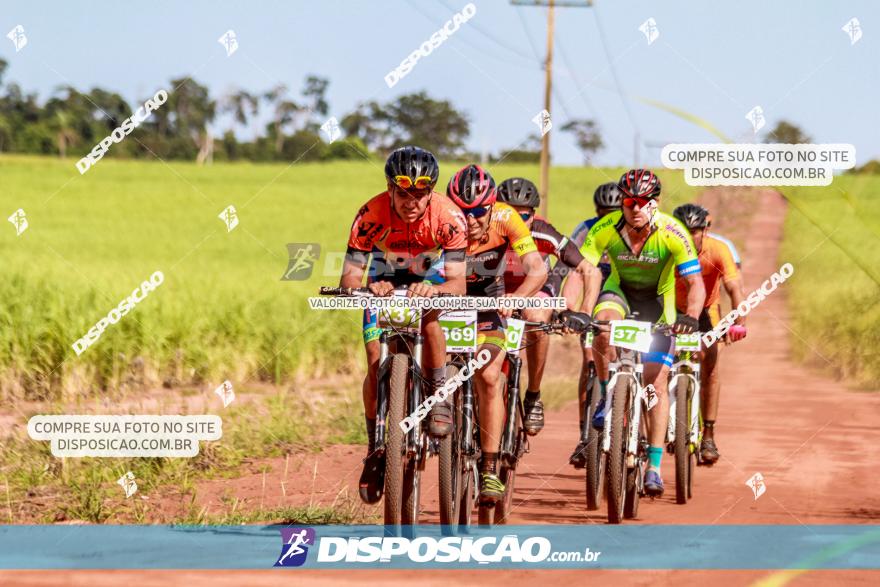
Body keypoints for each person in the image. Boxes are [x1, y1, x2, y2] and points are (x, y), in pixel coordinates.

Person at [342, 146, 468, 504]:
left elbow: (458, 283)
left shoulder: (448, 217)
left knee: (430, 323)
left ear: (432, 191)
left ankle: (438, 395)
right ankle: (374, 447)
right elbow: (350, 277)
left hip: (427, 277)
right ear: (389, 188)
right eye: (403, 192)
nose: (412, 201)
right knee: (373, 358)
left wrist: (436, 288)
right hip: (382, 276)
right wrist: (369, 287)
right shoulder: (370, 214)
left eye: (421, 192)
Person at [579, 169, 706, 497]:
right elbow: (585, 270)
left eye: (643, 202)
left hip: (658, 306)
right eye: (629, 201)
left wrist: (691, 316)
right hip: (618, 294)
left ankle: (653, 467)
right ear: (622, 201)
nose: (635, 208)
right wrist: (576, 310)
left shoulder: (673, 232)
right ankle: (608, 394)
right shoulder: (606, 228)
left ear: (655, 203)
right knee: (602, 327)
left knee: (655, 384)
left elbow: (695, 283)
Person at [446, 164, 547, 502]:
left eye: (479, 212)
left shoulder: (506, 217)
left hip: (491, 301)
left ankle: (490, 470)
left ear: (492, 205)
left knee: (490, 376)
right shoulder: (440, 216)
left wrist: (517, 299)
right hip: (449, 298)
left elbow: (537, 267)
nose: (471, 220)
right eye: (463, 212)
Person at [496, 177, 599, 436]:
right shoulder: (486, 230)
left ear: (533, 214)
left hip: (537, 288)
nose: (517, 222)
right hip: (498, 288)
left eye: (524, 216)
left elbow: (590, 271)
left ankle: (533, 394)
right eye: (509, 214)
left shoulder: (543, 231)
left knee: (536, 315)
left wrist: (584, 311)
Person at [672, 204, 747, 465]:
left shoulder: (718, 249)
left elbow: (734, 287)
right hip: (671, 308)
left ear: (705, 230)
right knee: (653, 362)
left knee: (710, 364)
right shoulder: (669, 247)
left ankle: (709, 435)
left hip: (706, 310)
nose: (690, 236)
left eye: (695, 231)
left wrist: (739, 322)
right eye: (685, 230)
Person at [559, 182, 622, 467]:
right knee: (589, 364)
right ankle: (585, 436)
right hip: (595, 299)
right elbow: (569, 268)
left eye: (614, 211)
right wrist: (567, 308)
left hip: (624, 296)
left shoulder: (632, 231)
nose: (607, 215)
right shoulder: (587, 229)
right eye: (602, 211)